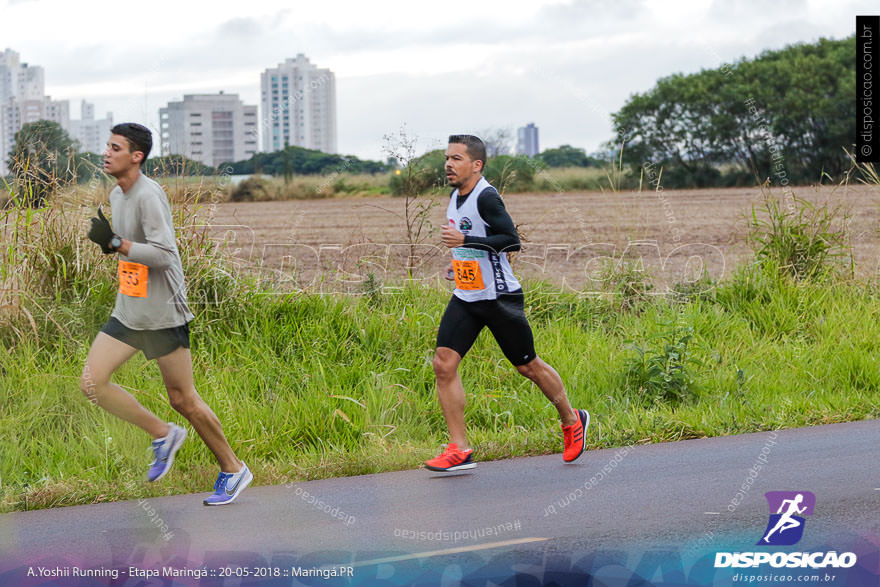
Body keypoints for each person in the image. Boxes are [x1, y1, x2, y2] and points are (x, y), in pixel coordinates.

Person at [81, 122, 251, 505]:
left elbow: (163, 254)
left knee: (183, 399)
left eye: (115, 147)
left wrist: (116, 242)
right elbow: (130, 249)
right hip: (130, 308)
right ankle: (163, 434)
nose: (106, 153)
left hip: (162, 312)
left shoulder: (148, 195)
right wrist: (113, 245)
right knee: (92, 383)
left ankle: (234, 468)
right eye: (106, 146)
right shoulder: (117, 193)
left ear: (136, 156)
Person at [425, 134, 590, 472]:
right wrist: (459, 261)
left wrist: (465, 240)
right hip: (467, 296)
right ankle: (459, 449)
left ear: (476, 164)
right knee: (443, 364)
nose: (448, 165)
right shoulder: (456, 195)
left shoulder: (486, 197)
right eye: (447, 158)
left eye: (456, 158)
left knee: (528, 366)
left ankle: (572, 420)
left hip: (500, 298)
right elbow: (475, 244)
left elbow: (509, 241)